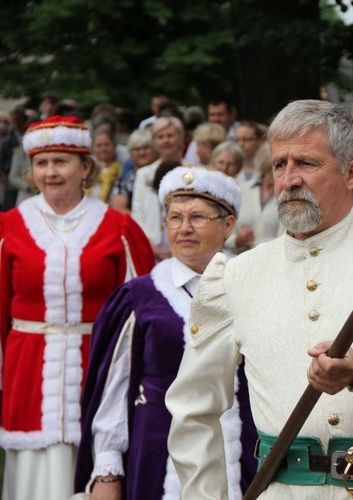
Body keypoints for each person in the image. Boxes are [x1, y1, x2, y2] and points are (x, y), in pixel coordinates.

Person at [166, 100, 353, 499]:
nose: (288, 180)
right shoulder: (234, 276)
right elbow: (193, 410)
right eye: (279, 165)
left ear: (352, 173)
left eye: (306, 164)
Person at [75, 166, 257, 499]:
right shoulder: (139, 297)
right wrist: (106, 470)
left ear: (228, 225)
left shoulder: (254, 287)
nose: (184, 228)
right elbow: (114, 388)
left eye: (198, 217)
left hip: (242, 449)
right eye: (175, 218)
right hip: (156, 451)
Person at [0, 116, 154, 500]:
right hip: (28, 373)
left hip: (99, 368)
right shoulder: (8, 227)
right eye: (41, 162)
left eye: (61, 161)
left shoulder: (119, 227)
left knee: (99, 459)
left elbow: (143, 311)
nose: (51, 172)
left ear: (86, 167)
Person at [132, 117, 184, 260]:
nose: (165, 141)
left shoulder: (193, 172)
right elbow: (138, 214)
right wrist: (151, 247)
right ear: (155, 142)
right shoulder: (144, 174)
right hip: (152, 248)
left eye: (170, 136)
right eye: (160, 137)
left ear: (180, 138)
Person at [227, 142, 283, 252]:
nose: (277, 175)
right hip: (239, 260)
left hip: (273, 262)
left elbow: (288, 240)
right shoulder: (241, 190)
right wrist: (237, 240)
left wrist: (254, 243)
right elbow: (222, 235)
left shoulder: (289, 196)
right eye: (271, 170)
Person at [110, 129, 159, 213]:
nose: (142, 152)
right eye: (137, 149)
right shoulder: (124, 181)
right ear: (130, 153)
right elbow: (119, 208)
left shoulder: (162, 176)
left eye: (146, 148)